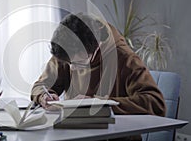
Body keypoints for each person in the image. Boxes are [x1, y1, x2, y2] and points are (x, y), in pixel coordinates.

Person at [30, 13, 166, 141]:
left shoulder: (125, 59)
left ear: (96, 48)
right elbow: (41, 85)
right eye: (68, 63)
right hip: (74, 135)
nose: (72, 68)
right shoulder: (67, 53)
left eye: (78, 63)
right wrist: (44, 96)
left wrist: (100, 104)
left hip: (115, 136)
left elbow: (156, 103)